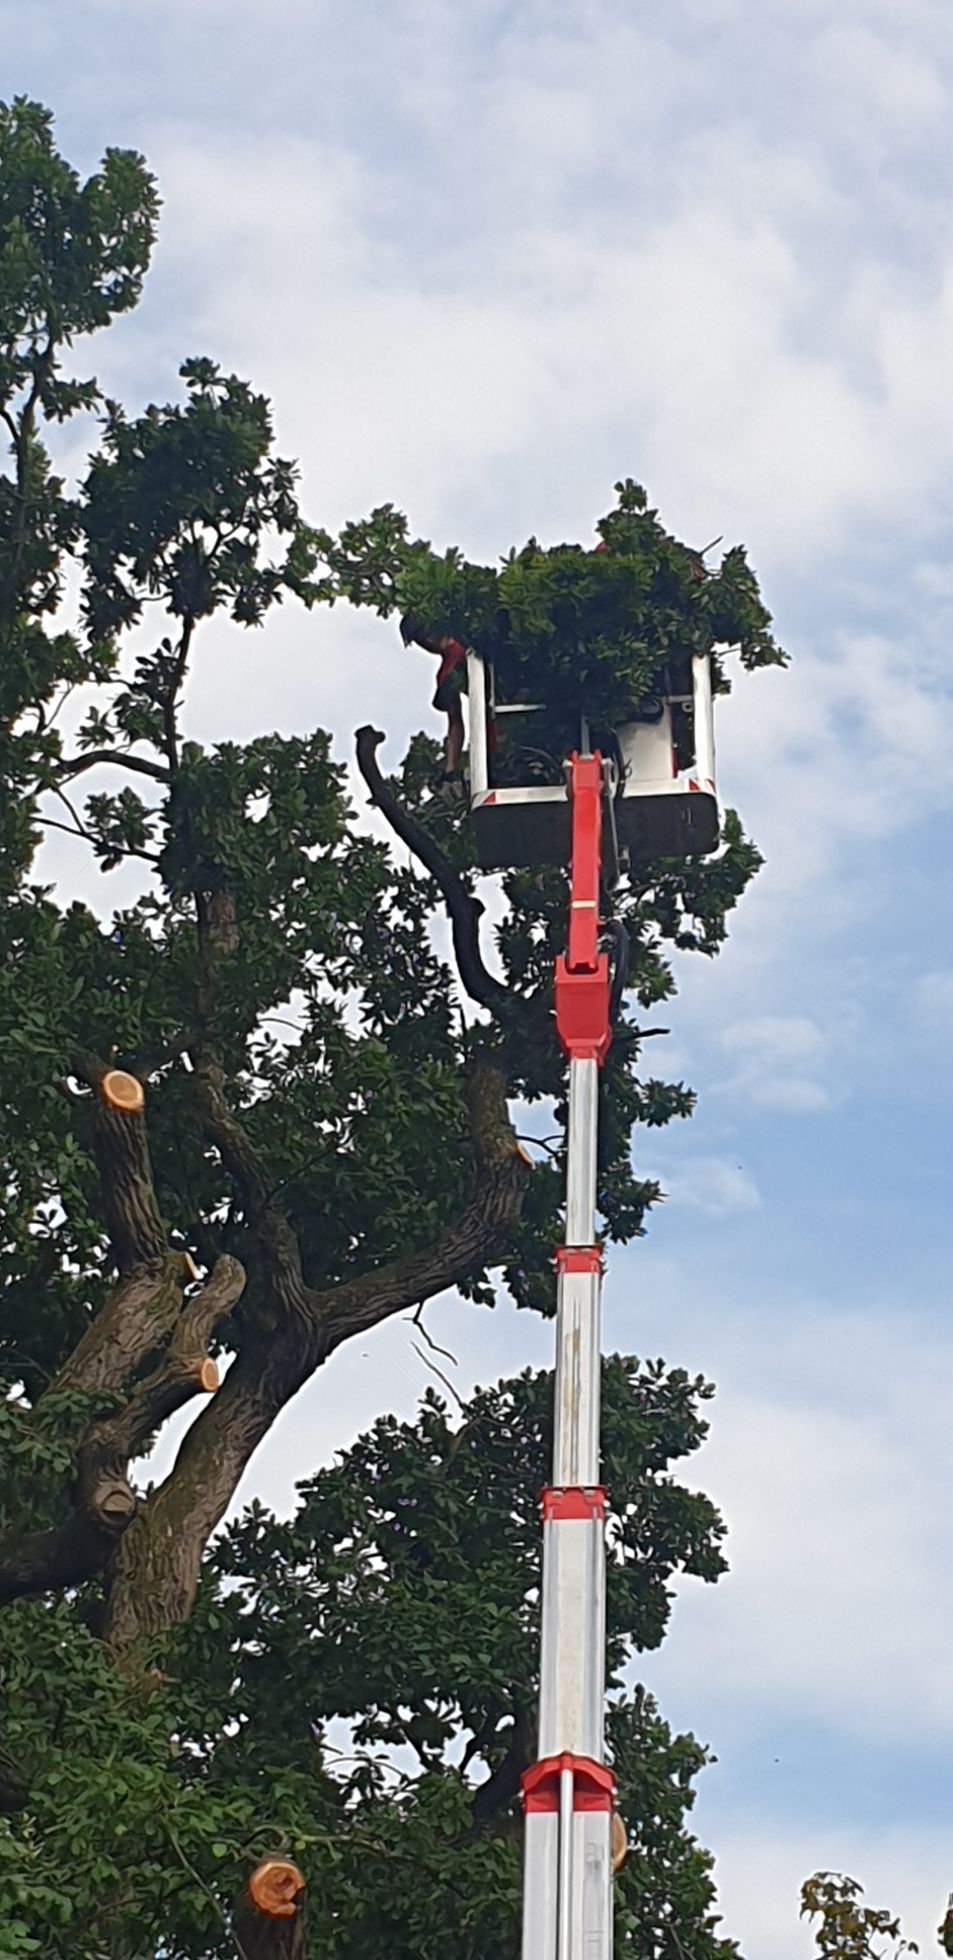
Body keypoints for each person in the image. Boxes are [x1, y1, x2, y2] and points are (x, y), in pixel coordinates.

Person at [399, 614, 467, 793]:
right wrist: (450, 770)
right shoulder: (444, 673)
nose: (424, 644)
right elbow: (454, 721)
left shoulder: (467, 640)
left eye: (420, 638)